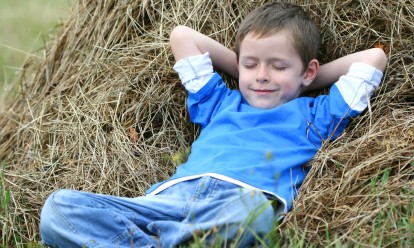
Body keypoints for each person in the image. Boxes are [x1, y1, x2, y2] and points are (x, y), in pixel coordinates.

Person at [40, 1, 387, 247]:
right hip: (166, 204)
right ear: (238, 64)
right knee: (59, 209)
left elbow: (374, 58)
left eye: (278, 67)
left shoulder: (316, 115)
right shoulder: (220, 102)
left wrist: (302, 82)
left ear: (308, 71)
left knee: (257, 215)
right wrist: (251, 69)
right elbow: (182, 36)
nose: (263, 76)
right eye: (251, 65)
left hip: (235, 206)